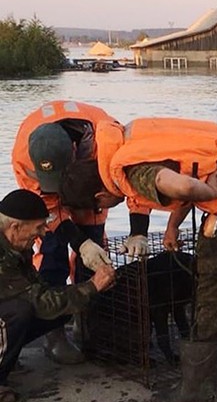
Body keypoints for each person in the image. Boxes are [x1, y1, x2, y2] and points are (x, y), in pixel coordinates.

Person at [58, 117, 217, 402]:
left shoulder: (133, 172)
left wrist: (212, 192)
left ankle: (196, 387)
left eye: (99, 207)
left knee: (213, 283)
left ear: (100, 196)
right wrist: (173, 226)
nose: (104, 210)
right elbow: (189, 166)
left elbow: (182, 185)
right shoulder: (129, 142)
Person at [11, 101, 151, 364]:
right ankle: (54, 335)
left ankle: (88, 322)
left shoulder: (108, 140)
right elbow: (48, 210)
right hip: (46, 197)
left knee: (95, 254)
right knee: (52, 253)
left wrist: (138, 231)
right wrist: (79, 243)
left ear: (75, 150)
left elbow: (135, 182)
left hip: (90, 192)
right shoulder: (24, 154)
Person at [0, 189, 116, 402]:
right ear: (15, 226)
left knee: (61, 310)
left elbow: (38, 289)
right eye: (39, 227)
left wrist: (83, 292)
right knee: (19, 311)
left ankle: (6, 356)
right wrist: (92, 286)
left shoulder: (14, 242)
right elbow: (39, 303)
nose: (44, 233)